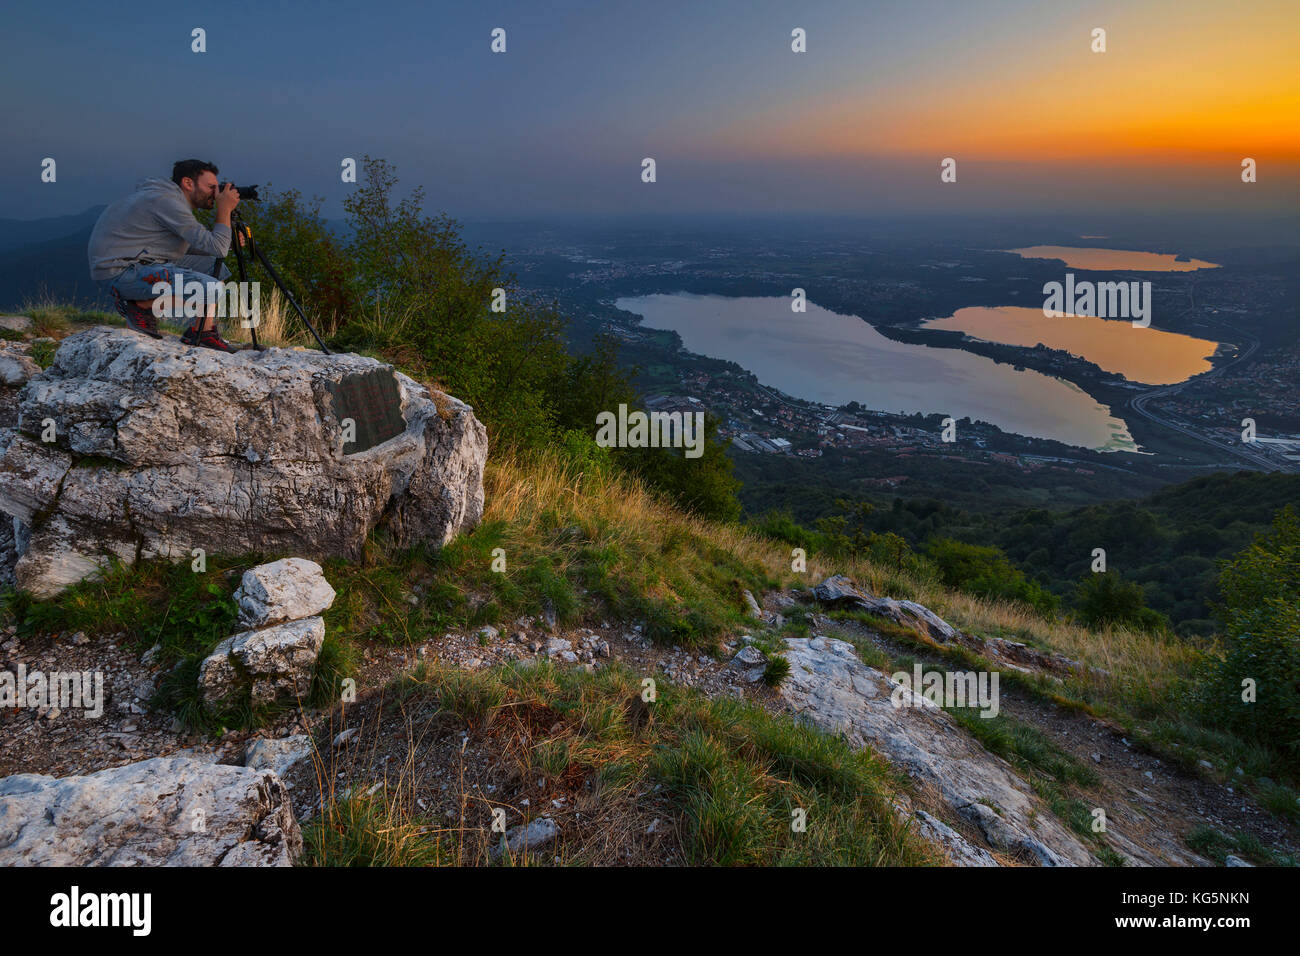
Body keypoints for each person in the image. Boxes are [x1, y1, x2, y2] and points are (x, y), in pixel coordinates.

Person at [87, 159, 243, 352]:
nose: (216, 193)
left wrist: (227, 242)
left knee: (215, 269)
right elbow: (216, 247)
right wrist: (225, 209)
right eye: (211, 187)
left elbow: (186, 246)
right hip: (120, 272)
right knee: (211, 289)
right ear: (188, 183)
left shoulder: (165, 199)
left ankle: (202, 331)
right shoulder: (167, 203)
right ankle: (140, 305)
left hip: (138, 261)